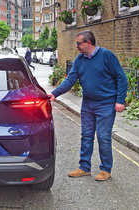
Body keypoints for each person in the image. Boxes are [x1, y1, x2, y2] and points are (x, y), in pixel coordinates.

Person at [48, 30, 128, 181]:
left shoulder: (106, 56)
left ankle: (105, 170)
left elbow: (121, 78)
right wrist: (55, 94)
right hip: (88, 104)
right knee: (86, 136)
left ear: (88, 43)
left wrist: (120, 100)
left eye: (79, 43)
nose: (77, 46)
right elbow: (70, 80)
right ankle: (84, 167)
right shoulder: (80, 60)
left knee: (103, 137)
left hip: (106, 103)